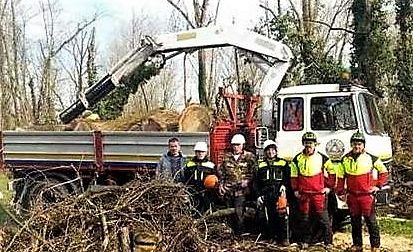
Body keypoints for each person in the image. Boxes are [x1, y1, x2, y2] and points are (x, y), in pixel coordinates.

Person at [336, 131, 388, 252]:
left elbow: (384, 172)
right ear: (351, 145)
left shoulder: (371, 158)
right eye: (354, 144)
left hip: (367, 196)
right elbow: (340, 177)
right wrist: (340, 192)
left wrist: (378, 186)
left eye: (359, 144)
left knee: (371, 221)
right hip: (352, 196)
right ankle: (357, 245)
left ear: (363, 145)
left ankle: (375, 246)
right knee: (355, 221)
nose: (357, 146)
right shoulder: (345, 159)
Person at [290, 132, 333, 249]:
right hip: (304, 194)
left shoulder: (323, 158)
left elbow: (333, 172)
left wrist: (329, 187)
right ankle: (306, 241)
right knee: (305, 218)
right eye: (306, 143)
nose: (309, 146)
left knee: (323, 218)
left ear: (315, 144)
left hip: (319, 194)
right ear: (303, 144)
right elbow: (293, 176)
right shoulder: (297, 159)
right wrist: (295, 190)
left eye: (311, 143)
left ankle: (328, 241)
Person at [218, 133, 256, 235]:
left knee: (239, 214)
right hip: (228, 190)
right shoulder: (226, 157)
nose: (236, 147)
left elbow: (254, 172)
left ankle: (240, 235)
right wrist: (221, 185)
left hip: (241, 191)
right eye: (234, 145)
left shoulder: (249, 157)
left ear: (243, 145)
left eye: (238, 145)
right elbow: (222, 173)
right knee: (228, 214)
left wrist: (247, 181)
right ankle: (230, 236)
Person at [254, 140, 290, 246]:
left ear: (276, 151)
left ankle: (284, 238)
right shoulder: (261, 165)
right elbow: (256, 183)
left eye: (272, 150)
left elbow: (288, 178)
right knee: (270, 217)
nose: (271, 152)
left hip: (280, 195)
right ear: (265, 152)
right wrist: (259, 196)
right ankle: (272, 237)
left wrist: (284, 186)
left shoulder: (283, 163)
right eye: (268, 150)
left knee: (283, 216)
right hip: (267, 194)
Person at [182, 141, 217, 214]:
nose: (200, 153)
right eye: (198, 152)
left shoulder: (211, 165)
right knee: (193, 212)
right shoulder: (189, 164)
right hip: (192, 193)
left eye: (202, 152)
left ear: (206, 152)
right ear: (195, 152)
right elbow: (185, 179)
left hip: (206, 194)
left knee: (207, 212)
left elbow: (214, 180)